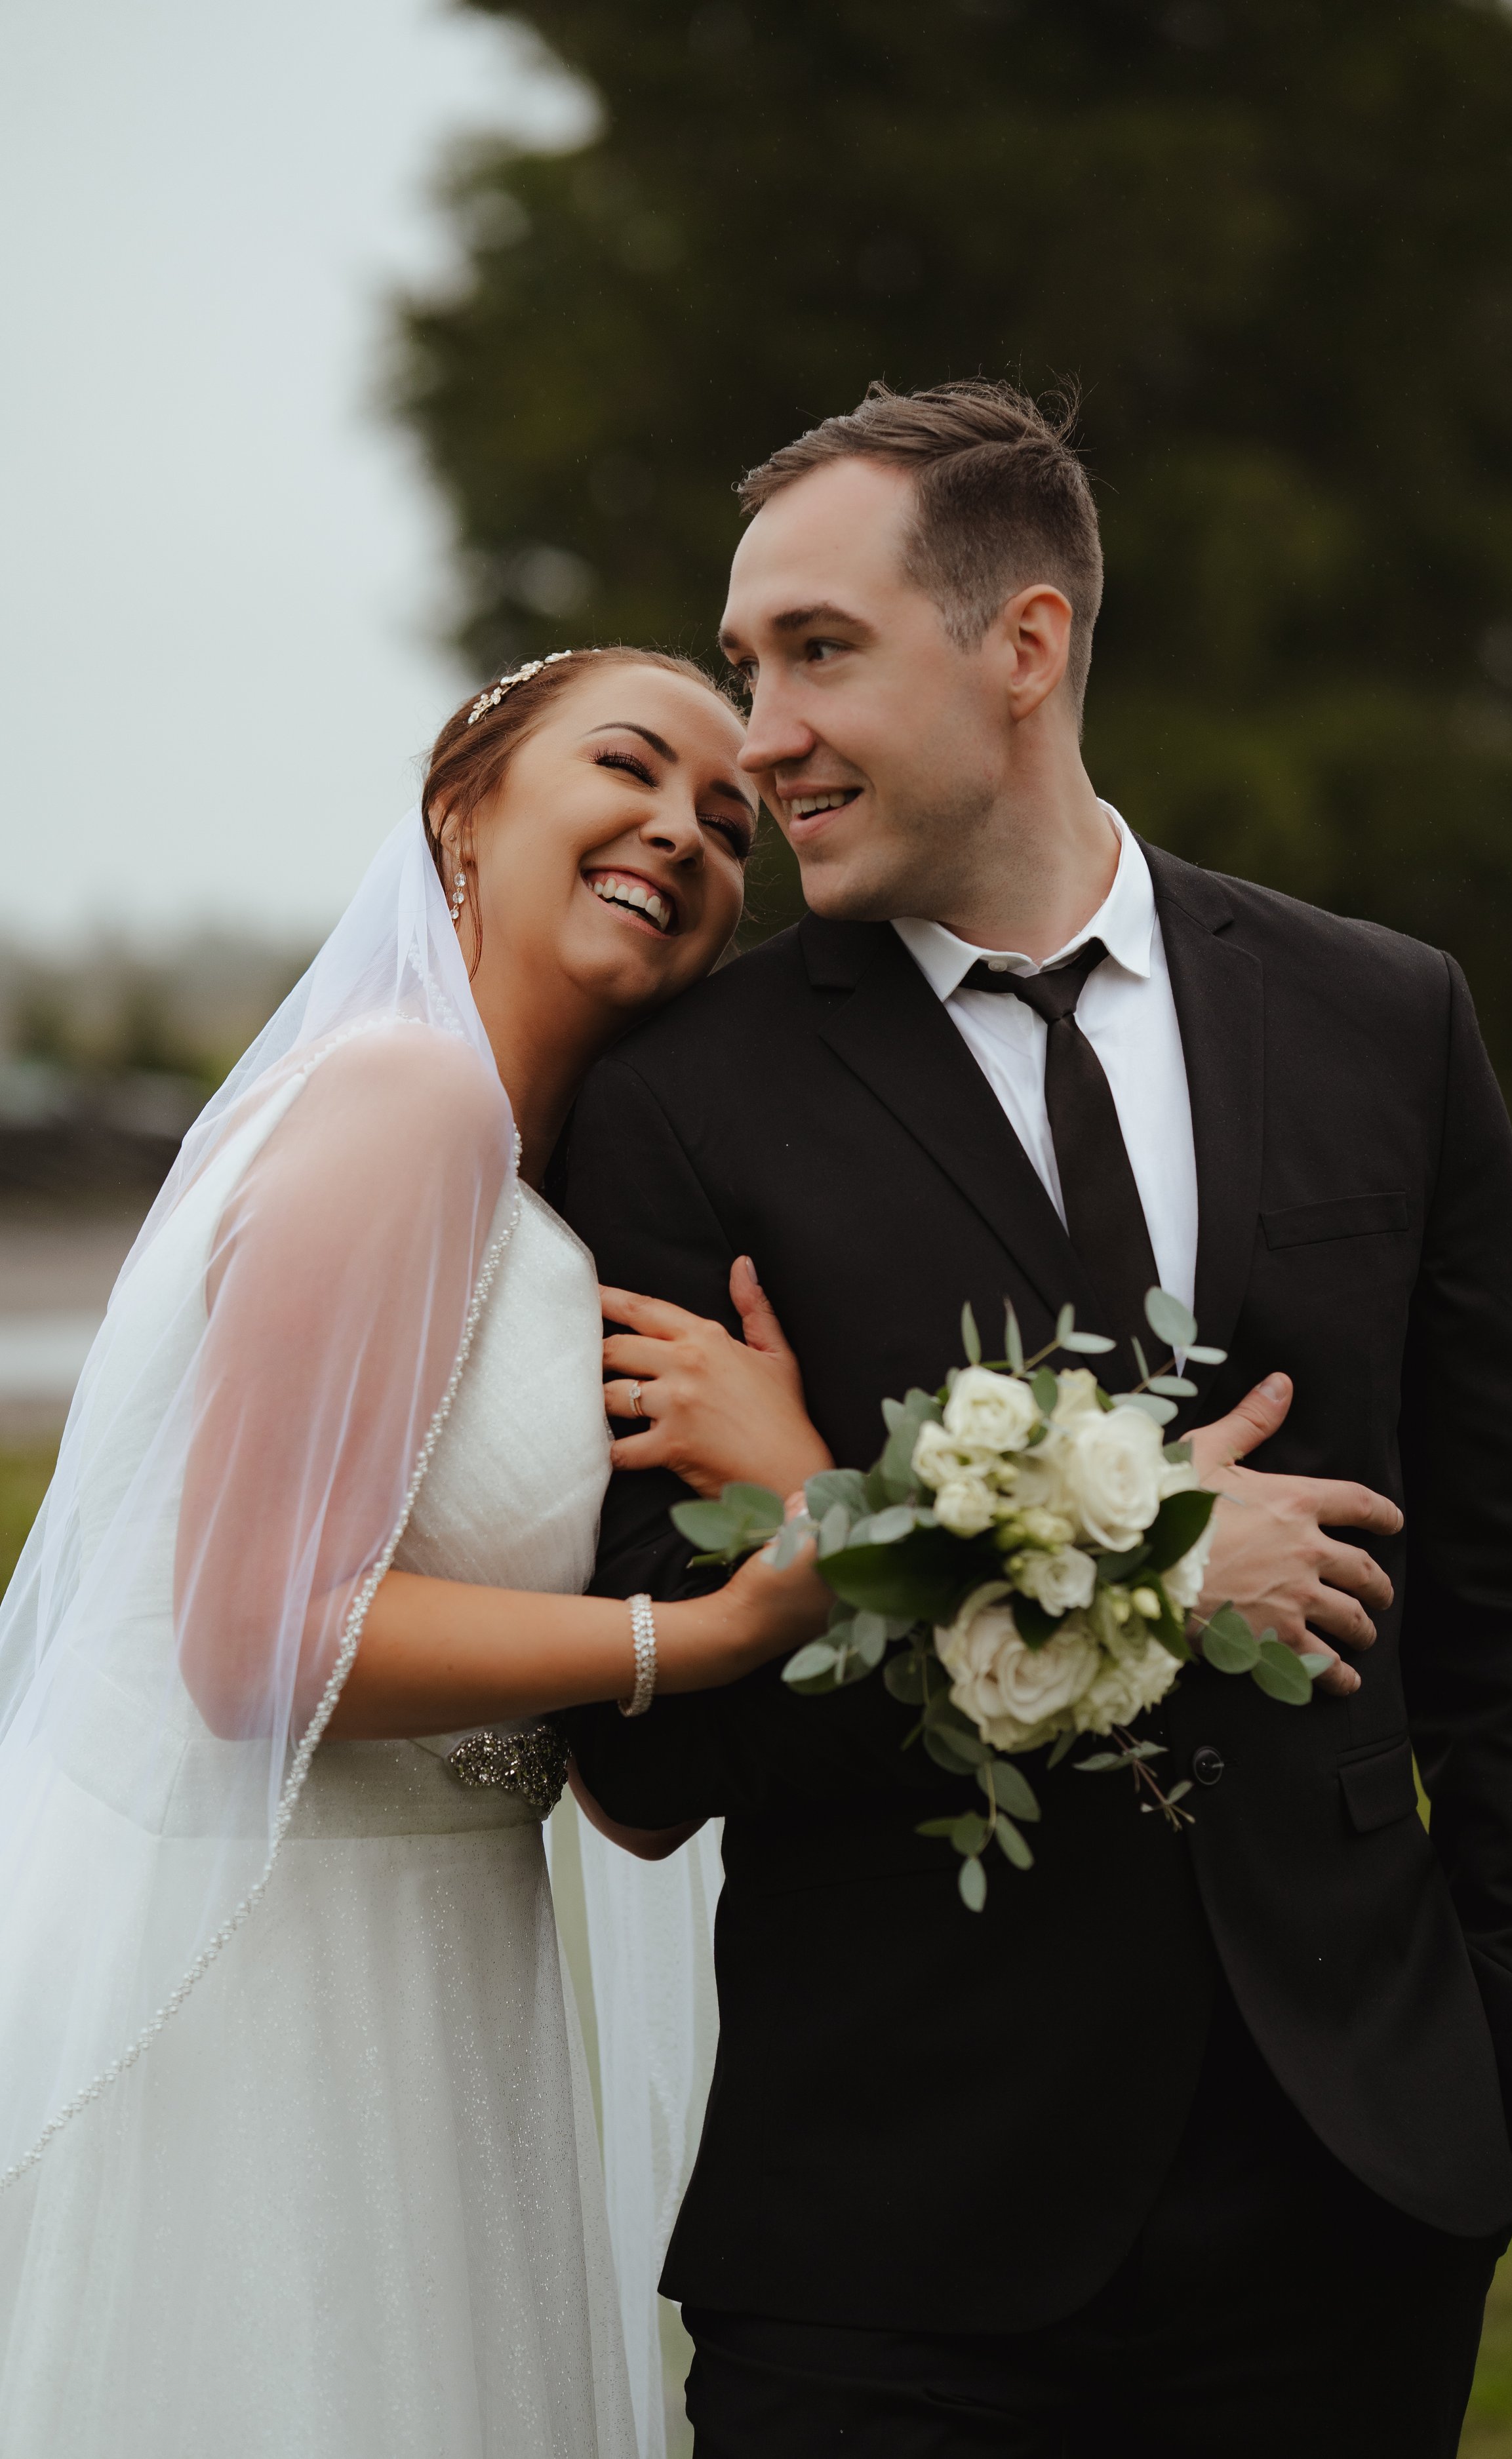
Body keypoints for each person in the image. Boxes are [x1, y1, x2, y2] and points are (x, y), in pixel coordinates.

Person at [562, 383, 1512, 2458]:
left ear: (1022, 647)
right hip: (888, 2231)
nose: (755, 730)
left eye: (816, 651)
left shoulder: (1382, 1018)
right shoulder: (680, 1100)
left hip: (1358, 2181)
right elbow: (654, 1736)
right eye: (742, 660)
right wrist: (1088, 1558)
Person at [0, 647, 830, 2459]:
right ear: (462, 810)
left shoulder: (532, 1192)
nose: (682, 834)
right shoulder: (403, 1106)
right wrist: (700, 1637)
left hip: (445, 1957)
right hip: (281, 1987)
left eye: (727, 825)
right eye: (628, 767)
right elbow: (249, 1645)